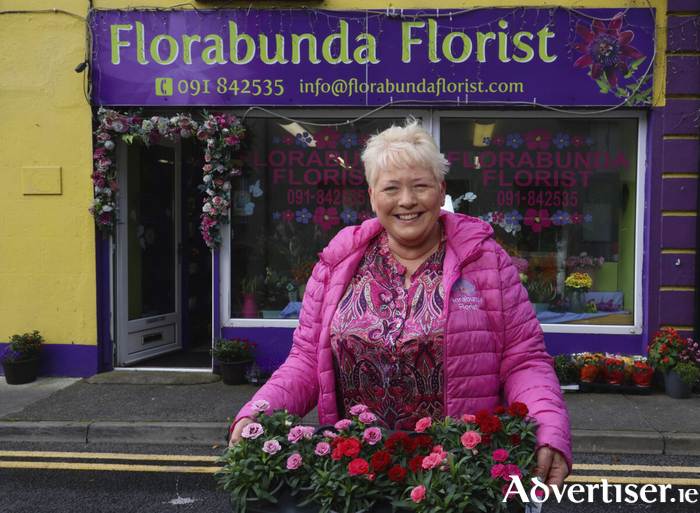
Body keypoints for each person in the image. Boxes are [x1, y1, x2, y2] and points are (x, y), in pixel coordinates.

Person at [230, 119, 572, 490]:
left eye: (421, 186)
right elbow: (306, 362)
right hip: (358, 477)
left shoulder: (486, 261)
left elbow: (524, 359)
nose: (407, 200)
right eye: (391, 188)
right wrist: (258, 414)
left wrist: (547, 427)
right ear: (373, 195)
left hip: (457, 478)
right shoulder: (337, 264)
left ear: (440, 191)